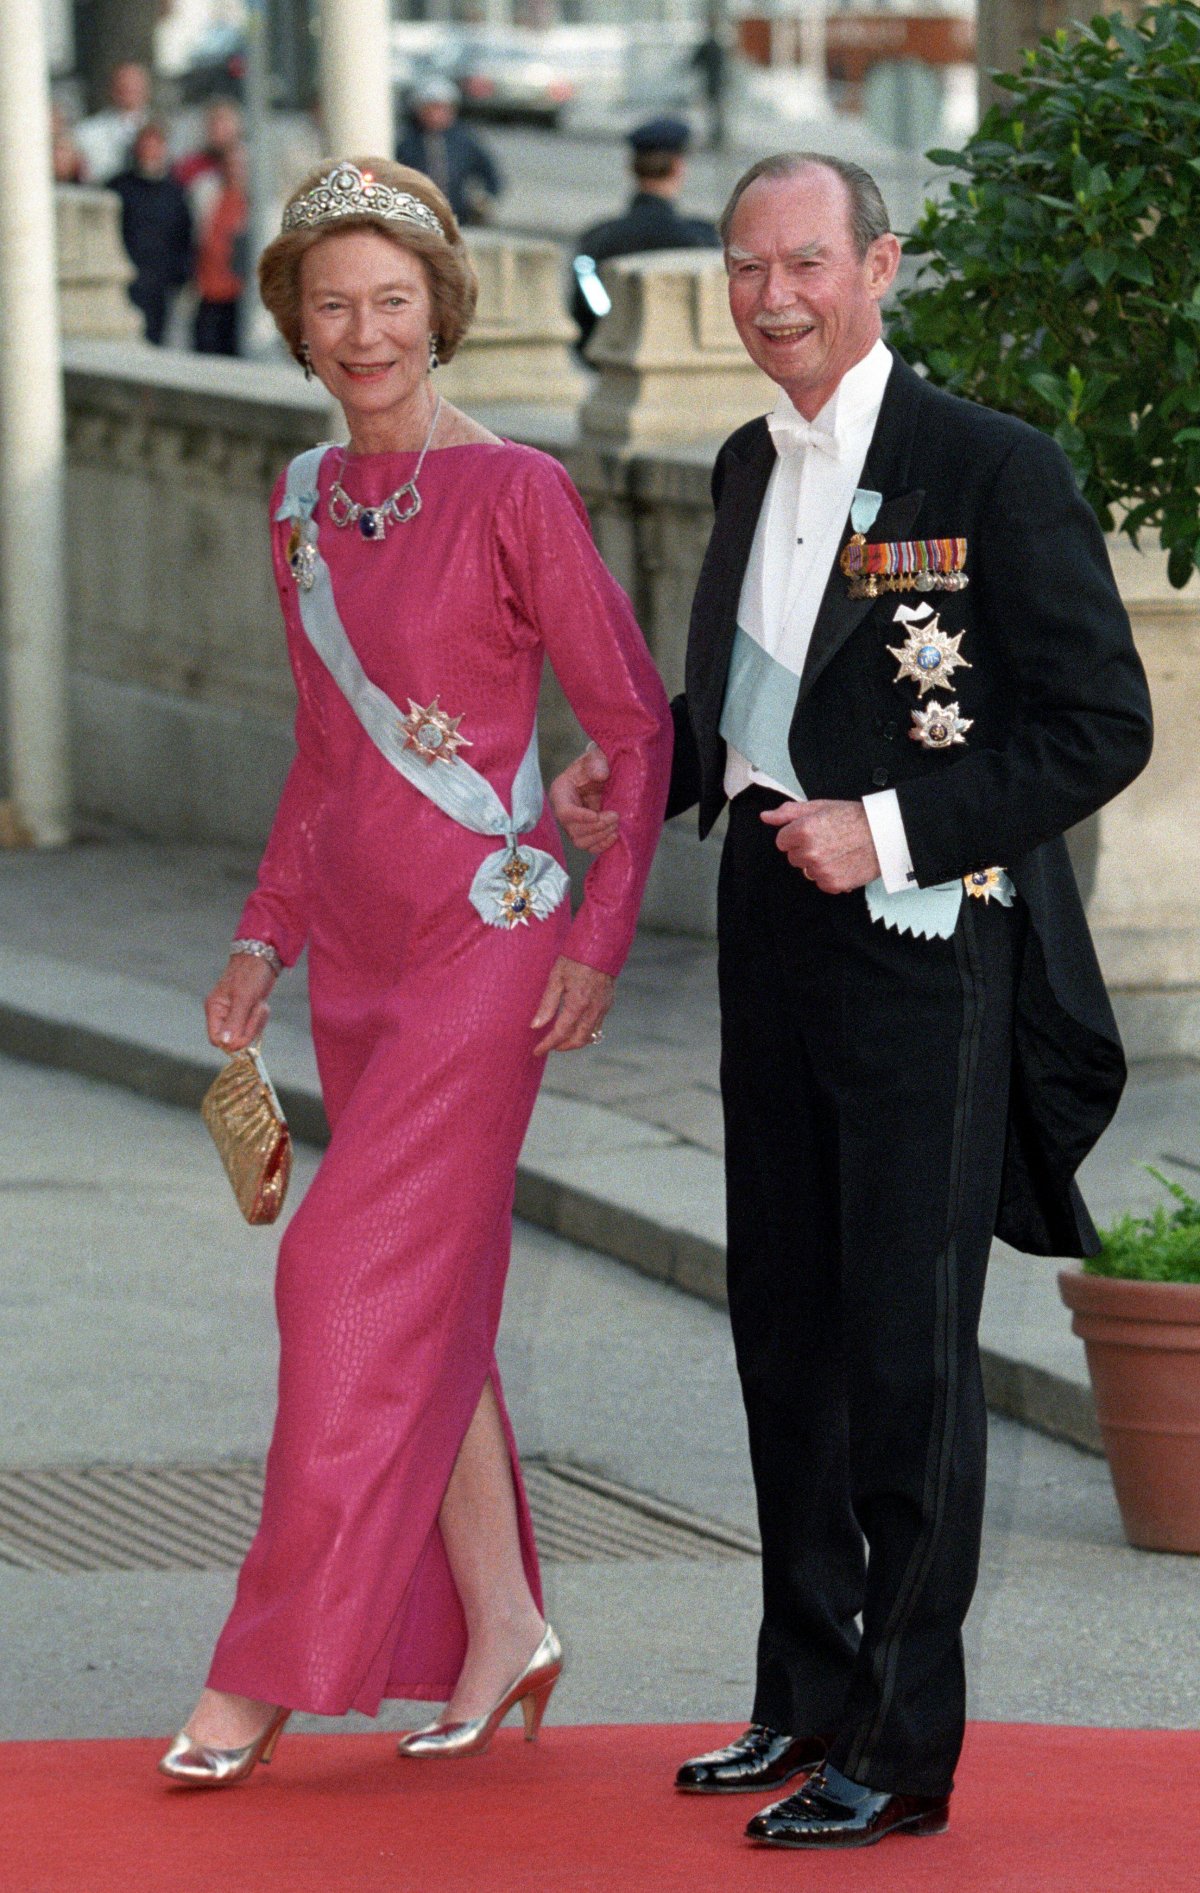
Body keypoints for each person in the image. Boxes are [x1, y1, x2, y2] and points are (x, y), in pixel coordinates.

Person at [552, 151, 1152, 1850]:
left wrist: (881, 823)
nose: (772, 296)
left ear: (879, 263)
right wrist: (648, 758)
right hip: (770, 933)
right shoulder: (750, 459)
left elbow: (1100, 725)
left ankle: (901, 1738)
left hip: (928, 954)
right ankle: (804, 1692)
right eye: (747, 267)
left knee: (904, 1350)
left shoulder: (993, 467)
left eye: (805, 261)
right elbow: (759, 697)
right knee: (788, 1338)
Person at [158, 156, 672, 1787]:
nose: (365, 331)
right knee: (424, 1294)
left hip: (484, 944)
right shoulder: (303, 502)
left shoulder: (516, 491)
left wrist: (596, 934)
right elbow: (324, 763)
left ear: (438, 314)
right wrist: (261, 937)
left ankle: (263, 1669)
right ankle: (505, 1618)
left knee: (339, 1282)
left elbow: (635, 722)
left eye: (392, 301)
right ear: (299, 330)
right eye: (334, 305)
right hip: (357, 967)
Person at [570, 117, 720, 349]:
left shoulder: (596, 239)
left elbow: (588, 313)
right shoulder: (701, 240)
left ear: (631, 167)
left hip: (614, 356)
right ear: (679, 167)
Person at [110, 122, 193, 345]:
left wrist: (179, 276)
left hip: (160, 287)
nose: (150, 152)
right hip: (124, 282)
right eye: (145, 146)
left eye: (155, 146)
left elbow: (184, 237)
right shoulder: (118, 188)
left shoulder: (175, 193)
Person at [395, 78, 502, 229]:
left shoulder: (464, 141)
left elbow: (490, 174)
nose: (436, 114)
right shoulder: (407, 142)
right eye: (431, 108)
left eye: (442, 108)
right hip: (415, 217)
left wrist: (484, 200)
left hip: (458, 217)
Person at [191, 143, 249, 355]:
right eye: (230, 164)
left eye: (240, 165)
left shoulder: (255, 203)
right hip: (208, 291)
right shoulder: (207, 195)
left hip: (241, 297)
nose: (234, 170)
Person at [74, 60, 151, 186]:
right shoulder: (87, 132)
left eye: (134, 87)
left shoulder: (164, 130)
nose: (129, 91)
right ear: (112, 89)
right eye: (124, 86)